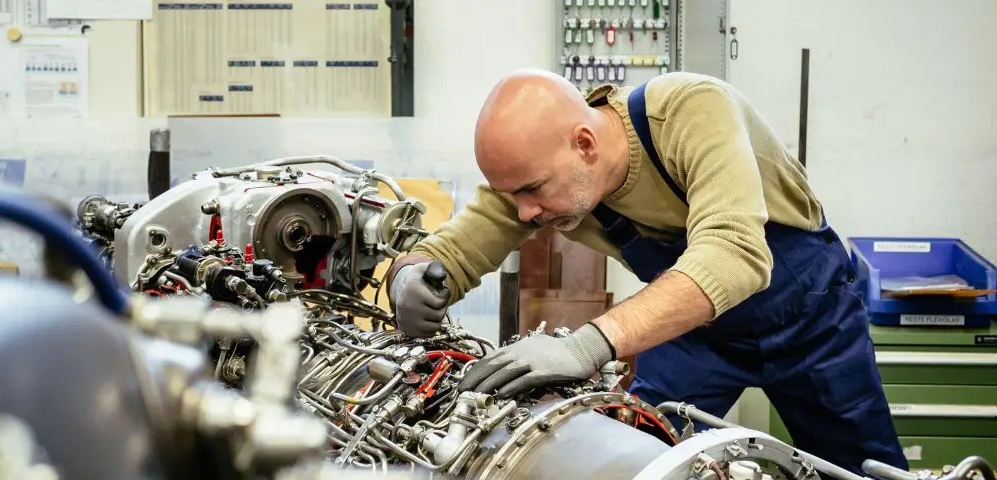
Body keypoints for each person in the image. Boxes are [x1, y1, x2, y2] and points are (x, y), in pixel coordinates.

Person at [384, 69, 909, 476]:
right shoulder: (542, 173)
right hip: (697, 332)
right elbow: (456, 250)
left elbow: (734, 254)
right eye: (512, 194)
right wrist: (410, 275)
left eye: (532, 191)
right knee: (630, 457)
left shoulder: (690, 110)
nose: (524, 214)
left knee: (859, 467)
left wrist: (585, 346)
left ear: (585, 144)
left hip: (809, 315)